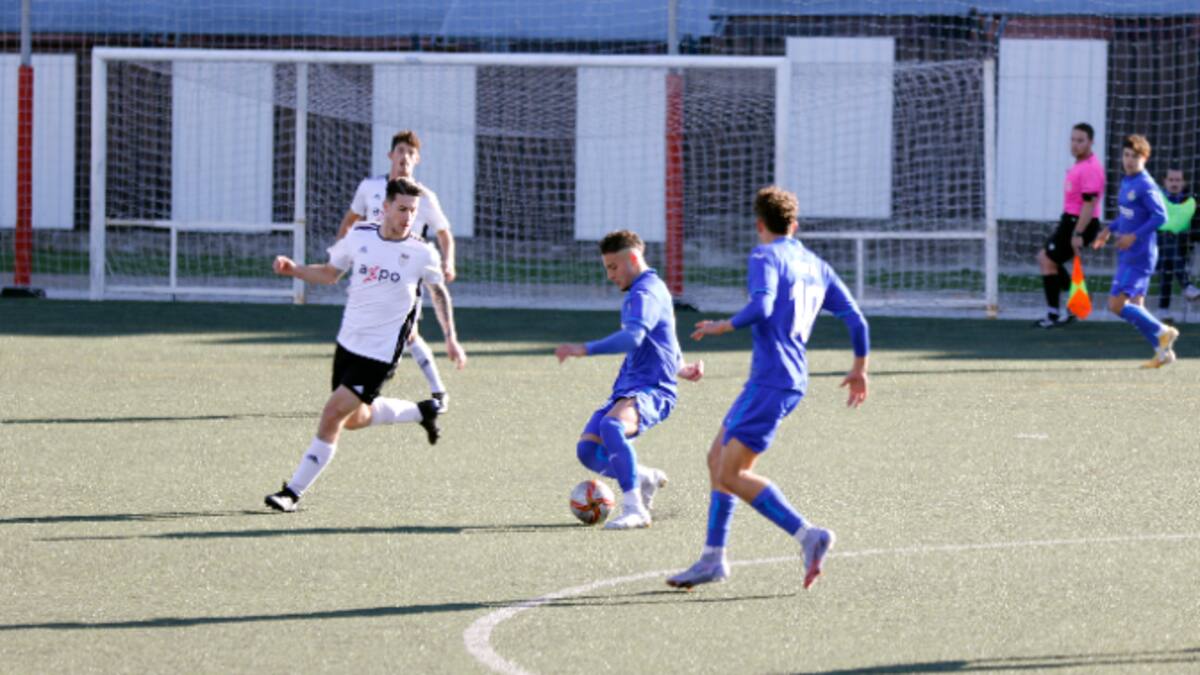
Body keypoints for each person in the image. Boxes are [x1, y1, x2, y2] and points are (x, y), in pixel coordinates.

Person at [666, 186, 868, 590]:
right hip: (781, 379)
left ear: (760, 224)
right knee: (717, 458)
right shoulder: (817, 265)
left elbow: (762, 307)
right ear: (794, 225)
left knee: (732, 472)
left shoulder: (764, 256)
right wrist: (859, 369)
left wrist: (722, 326)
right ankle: (713, 558)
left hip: (773, 381)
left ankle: (809, 535)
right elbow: (856, 320)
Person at [264, 177, 467, 512]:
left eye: (413, 211)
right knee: (353, 419)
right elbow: (330, 273)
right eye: (402, 209)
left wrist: (451, 338)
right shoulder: (360, 236)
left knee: (332, 414)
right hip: (348, 343)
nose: (408, 217)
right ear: (385, 207)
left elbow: (438, 292)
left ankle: (292, 493)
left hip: (380, 354)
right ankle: (422, 411)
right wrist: (294, 270)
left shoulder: (421, 252)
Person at [555, 230, 705, 530]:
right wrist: (681, 367)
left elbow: (633, 337)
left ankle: (635, 509)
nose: (610, 275)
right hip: (629, 387)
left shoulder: (645, 293)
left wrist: (585, 349)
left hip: (653, 389)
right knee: (588, 451)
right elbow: (665, 336)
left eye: (613, 267)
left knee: (612, 426)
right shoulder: (648, 289)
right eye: (606, 268)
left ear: (634, 258)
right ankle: (644, 477)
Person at [340, 130, 456, 412]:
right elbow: (349, 221)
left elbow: (444, 233)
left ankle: (438, 391)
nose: (405, 157)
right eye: (400, 151)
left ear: (417, 160)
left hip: (405, 275)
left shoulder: (424, 198)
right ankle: (364, 384)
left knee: (409, 333)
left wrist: (448, 261)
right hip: (372, 275)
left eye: (410, 153)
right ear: (390, 155)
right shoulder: (369, 187)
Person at [1092, 135, 1178, 368]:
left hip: (1139, 255)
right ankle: (1162, 353)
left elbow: (1160, 217)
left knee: (1116, 305)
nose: (1129, 160)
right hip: (1129, 253)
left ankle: (1163, 331)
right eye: (1126, 155)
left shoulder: (1145, 184)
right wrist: (1108, 229)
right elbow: (1128, 215)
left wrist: (1133, 236)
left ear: (1145, 158)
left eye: (1135, 157)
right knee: (1137, 307)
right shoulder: (1127, 181)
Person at [1035, 122, 1106, 328]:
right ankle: (1076, 300)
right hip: (1070, 220)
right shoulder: (1080, 165)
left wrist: (1078, 233)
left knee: (1047, 260)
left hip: (1079, 223)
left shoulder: (1091, 168)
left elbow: (1089, 205)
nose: (1075, 144)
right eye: (1073, 140)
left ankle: (1054, 313)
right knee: (1046, 259)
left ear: (1091, 142)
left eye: (1080, 140)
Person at [1154, 167, 1199, 323]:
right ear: (1164, 181)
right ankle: (1187, 286)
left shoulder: (1191, 201)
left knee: (1168, 263)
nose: (1174, 183)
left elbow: (1196, 228)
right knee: (1166, 240)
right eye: (1171, 180)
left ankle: (1163, 309)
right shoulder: (1156, 198)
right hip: (1156, 245)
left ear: (1184, 182)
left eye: (1178, 180)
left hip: (1182, 246)